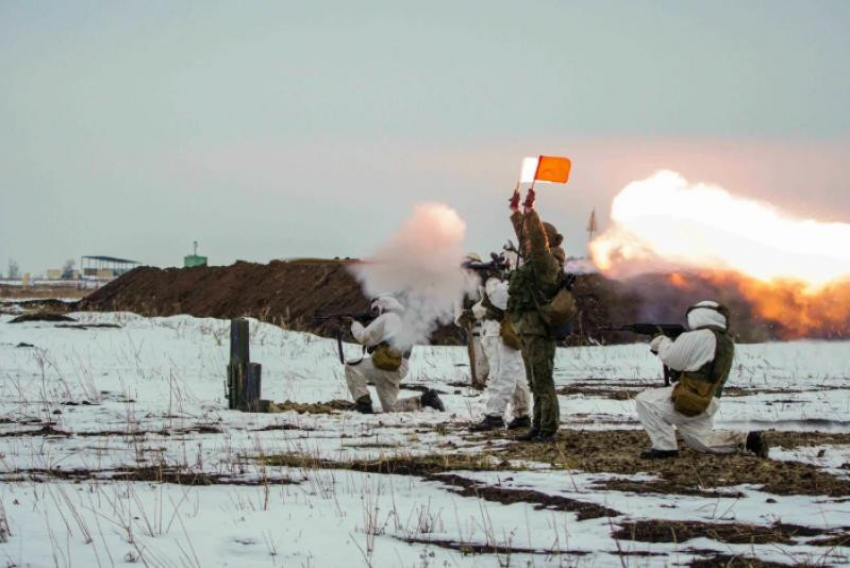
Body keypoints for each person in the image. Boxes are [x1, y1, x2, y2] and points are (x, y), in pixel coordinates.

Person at [634, 300, 769, 459]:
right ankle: (748, 439)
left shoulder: (701, 336)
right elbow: (695, 363)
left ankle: (665, 449)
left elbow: (672, 358)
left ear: (699, 314)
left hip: (689, 397)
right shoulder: (725, 340)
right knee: (703, 442)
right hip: (708, 400)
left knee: (645, 401)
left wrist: (661, 342)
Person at [507, 187, 566, 442]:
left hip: (539, 329)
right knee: (533, 381)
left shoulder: (547, 263)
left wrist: (530, 211)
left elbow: (536, 243)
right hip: (528, 328)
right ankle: (538, 425)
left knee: (542, 380)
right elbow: (527, 238)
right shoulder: (535, 258)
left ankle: (548, 428)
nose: (527, 244)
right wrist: (516, 212)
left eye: (534, 239)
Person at [344, 296, 445, 414]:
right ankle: (425, 400)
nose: (374, 314)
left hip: (385, 363)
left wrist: (354, 324)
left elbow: (364, 337)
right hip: (398, 367)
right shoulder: (403, 321)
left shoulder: (388, 317)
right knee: (391, 408)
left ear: (383, 305)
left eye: (375, 310)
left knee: (352, 367)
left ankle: (363, 405)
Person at [469, 268, 532, 431]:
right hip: (500, 332)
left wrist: (492, 280)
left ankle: (494, 416)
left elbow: (499, 299)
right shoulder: (503, 284)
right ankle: (522, 414)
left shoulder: (506, 285)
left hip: (503, 332)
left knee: (502, 374)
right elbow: (488, 304)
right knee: (516, 375)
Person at [455, 253, 490, 388]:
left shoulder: (486, 282)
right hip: (473, 328)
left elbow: (488, 303)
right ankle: (477, 381)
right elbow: (458, 306)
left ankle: (484, 379)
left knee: (489, 357)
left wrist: (473, 313)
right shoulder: (461, 286)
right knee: (476, 355)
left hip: (489, 325)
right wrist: (461, 319)